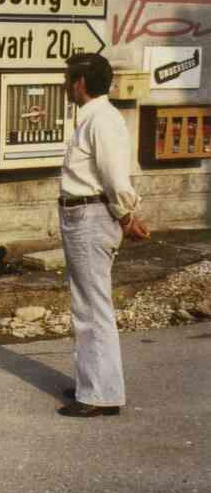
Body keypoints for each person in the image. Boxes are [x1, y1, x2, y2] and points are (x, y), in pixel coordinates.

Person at [58, 52, 150, 418]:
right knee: (87, 303)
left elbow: (115, 177)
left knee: (92, 307)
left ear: (80, 83)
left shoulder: (101, 120)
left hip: (90, 215)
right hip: (83, 214)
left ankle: (99, 394)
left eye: (68, 78)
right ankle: (96, 384)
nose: (65, 85)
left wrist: (126, 216)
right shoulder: (92, 118)